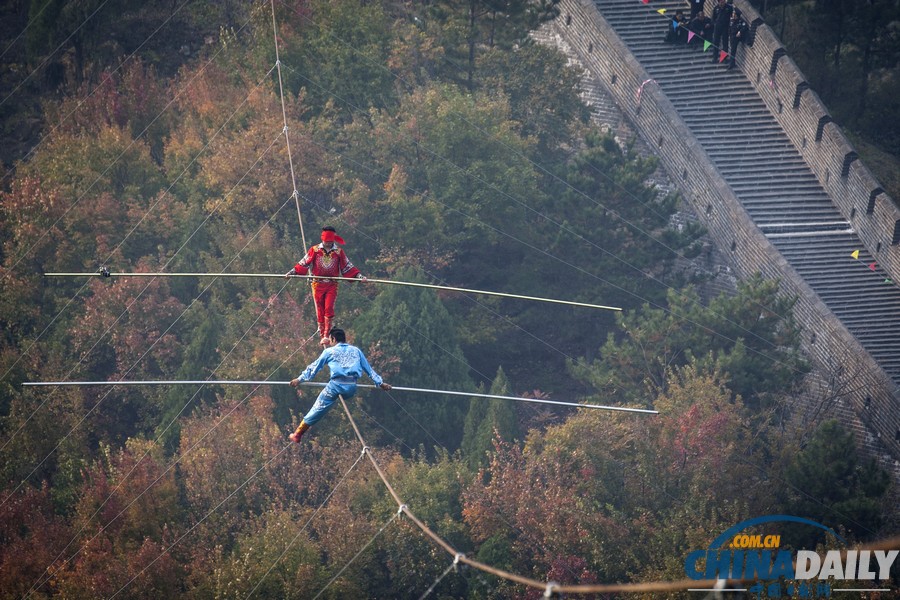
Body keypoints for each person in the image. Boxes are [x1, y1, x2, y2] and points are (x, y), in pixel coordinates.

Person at [288, 328, 391, 442]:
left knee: (318, 407)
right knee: (328, 398)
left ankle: (298, 434)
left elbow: (314, 367)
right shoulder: (356, 351)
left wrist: (299, 379)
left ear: (333, 338)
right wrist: (381, 383)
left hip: (336, 386)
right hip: (351, 387)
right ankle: (298, 433)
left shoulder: (329, 352)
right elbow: (369, 370)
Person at [286, 226, 366, 345]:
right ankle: (321, 332)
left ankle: (326, 335)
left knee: (328, 308)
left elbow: (347, 266)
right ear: (323, 240)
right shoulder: (315, 250)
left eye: (330, 242)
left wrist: (359, 276)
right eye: (326, 241)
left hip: (331, 284)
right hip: (317, 284)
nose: (328, 244)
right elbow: (304, 262)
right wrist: (292, 272)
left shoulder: (338, 252)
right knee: (320, 309)